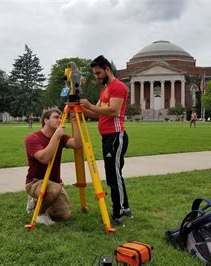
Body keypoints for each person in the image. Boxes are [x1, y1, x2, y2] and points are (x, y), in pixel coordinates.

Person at [79, 55, 132, 227]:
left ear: (107, 69)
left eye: (98, 73)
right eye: (95, 74)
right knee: (112, 175)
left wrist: (88, 104)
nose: (97, 77)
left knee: (113, 176)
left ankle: (120, 212)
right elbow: (97, 113)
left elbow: (113, 111)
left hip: (116, 136)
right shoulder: (105, 90)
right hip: (107, 137)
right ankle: (123, 208)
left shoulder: (118, 87)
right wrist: (81, 110)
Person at [24, 108, 82, 225]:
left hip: (54, 182)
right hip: (35, 182)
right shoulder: (32, 138)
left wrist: (75, 122)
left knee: (64, 215)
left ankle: (39, 201)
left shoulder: (61, 137)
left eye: (60, 117)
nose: (60, 120)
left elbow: (77, 144)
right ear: (46, 120)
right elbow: (44, 159)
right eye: (56, 117)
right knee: (55, 189)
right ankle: (38, 213)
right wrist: (56, 137)